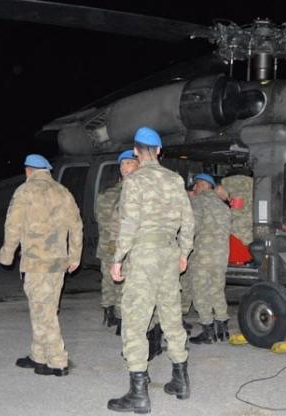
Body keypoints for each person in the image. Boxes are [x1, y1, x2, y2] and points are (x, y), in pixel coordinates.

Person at [108, 127, 195, 412]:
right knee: (171, 315)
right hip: (169, 255)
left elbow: (129, 224)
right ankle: (181, 381)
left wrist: (118, 258)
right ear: (159, 151)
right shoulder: (175, 180)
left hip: (143, 255)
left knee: (135, 320)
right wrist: (183, 252)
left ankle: (139, 394)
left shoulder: (134, 181)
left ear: (135, 151)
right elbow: (188, 221)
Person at [0, 153, 83, 377]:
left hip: (37, 263)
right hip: (58, 263)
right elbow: (76, 226)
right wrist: (75, 256)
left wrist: (7, 254)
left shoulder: (25, 191)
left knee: (44, 311)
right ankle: (39, 354)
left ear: (28, 170)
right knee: (44, 307)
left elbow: (13, 225)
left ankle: (57, 360)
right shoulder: (63, 192)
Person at [95, 149, 139, 332]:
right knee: (122, 282)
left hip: (108, 244)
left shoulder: (105, 194)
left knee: (109, 280)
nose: (125, 167)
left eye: (129, 163)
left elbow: (99, 218)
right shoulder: (131, 192)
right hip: (123, 245)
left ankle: (109, 312)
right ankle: (121, 319)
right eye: (122, 164)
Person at [188, 173, 233, 345]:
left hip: (203, 256)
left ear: (201, 185)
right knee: (217, 290)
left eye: (195, 185)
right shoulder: (223, 206)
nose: (194, 189)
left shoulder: (198, 202)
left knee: (201, 291)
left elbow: (192, 228)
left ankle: (207, 330)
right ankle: (223, 328)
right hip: (221, 256)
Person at [221, 171, 254, 244]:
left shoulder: (236, 186)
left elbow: (237, 211)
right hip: (247, 228)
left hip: (240, 234)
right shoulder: (251, 185)